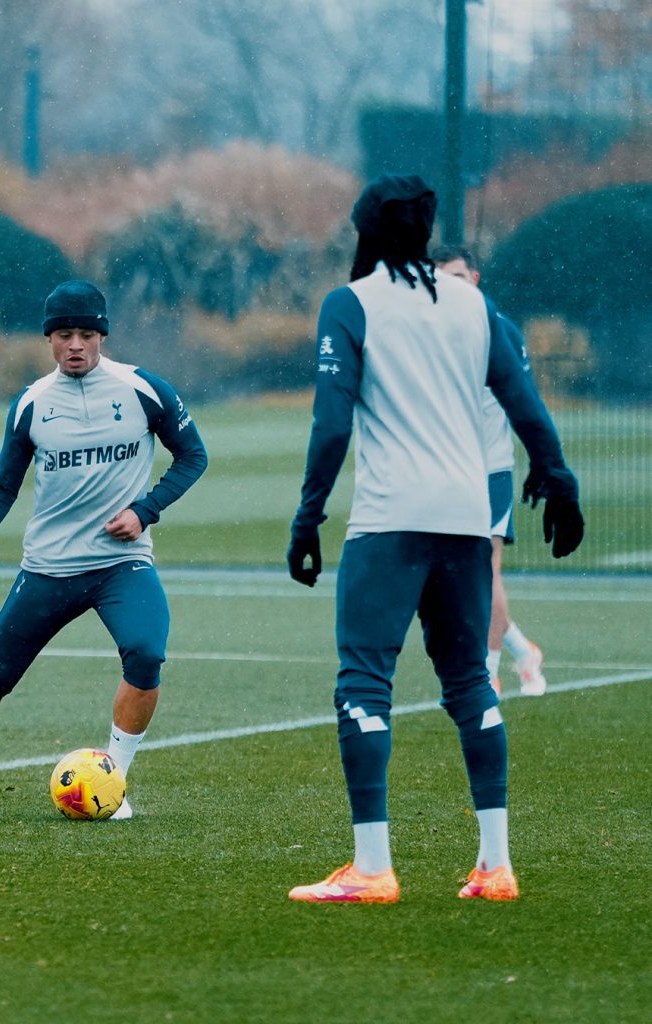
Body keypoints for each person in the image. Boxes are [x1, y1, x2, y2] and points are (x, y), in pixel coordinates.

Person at [286, 175, 584, 903]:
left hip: (390, 520)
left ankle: (372, 869)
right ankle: (494, 866)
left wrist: (308, 514)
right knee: (468, 682)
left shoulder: (349, 303)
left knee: (363, 682)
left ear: (365, 229)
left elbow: (330, 425)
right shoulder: (473, 304)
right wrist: (558, 478)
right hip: (463, 519)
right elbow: (524, 402)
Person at [0, 280, 208, 817]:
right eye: (64, 334)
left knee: (146, 653)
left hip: (123, 564)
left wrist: (145, 510)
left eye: (87, 334)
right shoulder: (31, 404)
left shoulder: (144, 389)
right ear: (49, 340)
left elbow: (193, 456)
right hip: (48, 569)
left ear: (102, 336)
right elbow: (3, 485)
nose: (76, 344)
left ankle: (113, 780)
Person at [431, 244, 546, 698]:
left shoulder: (499, 330)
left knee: (484, 574)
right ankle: (522, 649)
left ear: (474, 280)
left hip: (489, 472)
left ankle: (488, 672)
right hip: (442, 472)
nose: (448, 287)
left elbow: (526, 403)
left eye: (457, 277)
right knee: (452, 580)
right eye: (440, 278)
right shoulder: (427, 332)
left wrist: (544, 463)